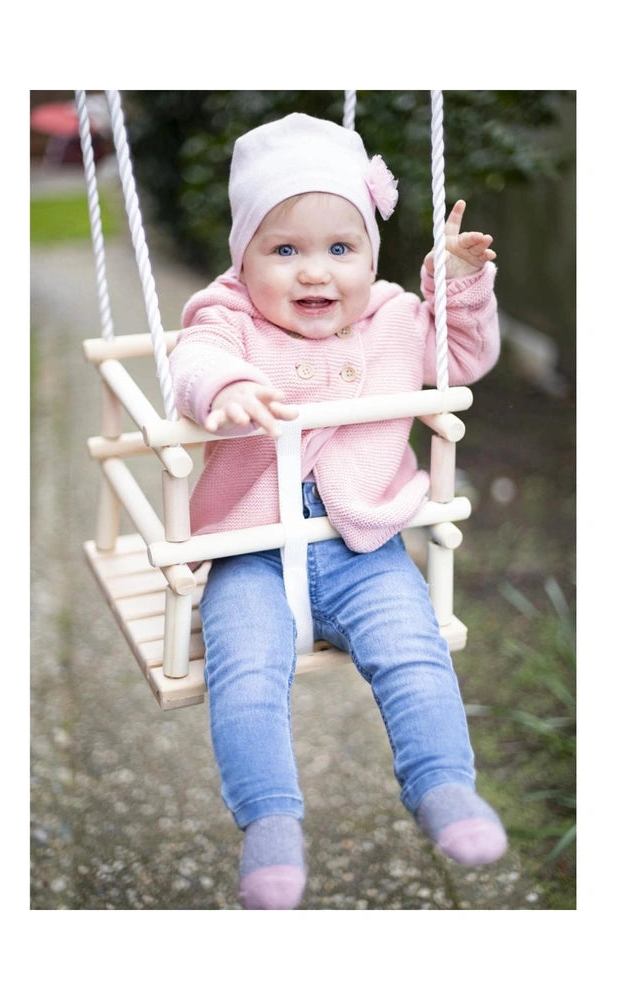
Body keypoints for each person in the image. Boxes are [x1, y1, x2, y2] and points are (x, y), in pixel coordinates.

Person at [169, 112, 504, 909]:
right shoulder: (230, 317)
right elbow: (194, 355)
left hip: (364, 542)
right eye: (284, 250)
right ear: (242, 260)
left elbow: (461, 358)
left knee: (413, 649)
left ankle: (441, 785)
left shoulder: (394, 316)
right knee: (246, 674)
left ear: (371, 257)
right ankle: (270, 823)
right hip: (249, 545)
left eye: (339, 249)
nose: (315, 273)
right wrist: (225, 384)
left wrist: (454, 286)